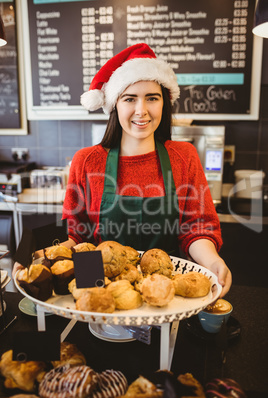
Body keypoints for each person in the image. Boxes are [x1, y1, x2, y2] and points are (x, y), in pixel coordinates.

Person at [14, 43, 232, 297]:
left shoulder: (184, 157)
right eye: (130, 99)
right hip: (94, 284)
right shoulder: (86, 161)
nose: (142, 110)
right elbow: (78, 235)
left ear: (165, 103)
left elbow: (196, 228)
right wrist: (40, 256)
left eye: (152, 98)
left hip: (163, 288)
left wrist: (213, 261)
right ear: (115, 105)